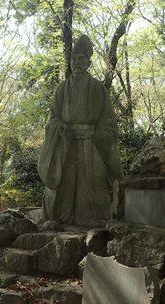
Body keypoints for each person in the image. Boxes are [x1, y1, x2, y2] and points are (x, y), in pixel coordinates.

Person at [38, 34, 121, 227]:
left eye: (82, 59)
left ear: (89, 63)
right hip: (66, 143)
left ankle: (94, 220)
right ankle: (58, 218)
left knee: (93, 183)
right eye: (75, 59)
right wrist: (60, 128)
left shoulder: (98, 89)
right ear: (71, 62)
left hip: (91, 144)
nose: (78, 63)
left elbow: (108, 123)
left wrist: (94, 134)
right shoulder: (62, 89)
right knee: (63, 183)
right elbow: (52, 119)